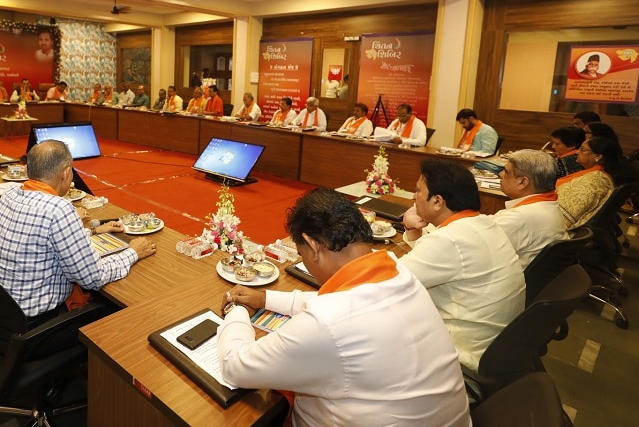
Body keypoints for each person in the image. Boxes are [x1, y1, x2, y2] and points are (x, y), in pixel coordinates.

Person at [218, 188, 470, 427]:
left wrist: (235, 309)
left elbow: (235, 366)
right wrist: (264, 299)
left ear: (313, 245)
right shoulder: (398, 271)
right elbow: (333, 301)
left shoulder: (327, 322)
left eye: (302, 254)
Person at [0, 140, 156, 319]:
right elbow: (93, 277)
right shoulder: (59, 208)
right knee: (119, 310)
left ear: (26, 170)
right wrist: (133, 252)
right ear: (66, 173)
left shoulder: (9, 194)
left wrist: (95, 231)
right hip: (36, 321)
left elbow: (38, 237)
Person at [398, 159, 524, 371]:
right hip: (494, 346)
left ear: (437, 202)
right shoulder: (482, 224)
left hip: (461, 356)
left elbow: (389, 282)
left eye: (418, 190)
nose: (414, 196)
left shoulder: (450, 240)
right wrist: (413, 231)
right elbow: (439, 260)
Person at [493, 150, 568, 269]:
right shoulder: (547, 205)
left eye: (506, 172)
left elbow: (476, 248)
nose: (500, 174)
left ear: (522, 182)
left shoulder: (519, 217)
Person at [557, 136, 628, 230]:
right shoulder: (596, 174)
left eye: (582, 149)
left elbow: (561, 220)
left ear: (598, 156)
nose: (577, 152)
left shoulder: (593, 182)